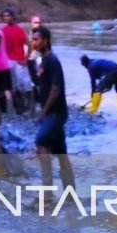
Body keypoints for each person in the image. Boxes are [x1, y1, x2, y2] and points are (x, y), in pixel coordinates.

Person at [32, 26, 74, 191]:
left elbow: (56, 89)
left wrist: (43, 112)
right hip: (51, 113)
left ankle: (47, 192)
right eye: (33, 39)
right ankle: (70, 194)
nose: (33, 43)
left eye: (36, 39)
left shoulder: (53, 61)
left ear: (46, 41)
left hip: (56, 113)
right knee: (61, 153)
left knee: (41, 142)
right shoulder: (43, 60)